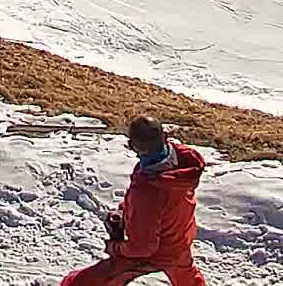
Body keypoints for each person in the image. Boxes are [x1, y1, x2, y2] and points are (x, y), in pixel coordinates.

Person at [59, 117, 207, 286]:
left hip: (154, 254)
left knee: (82, 282)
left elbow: (142, 248)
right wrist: (125, 211)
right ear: (165, 136)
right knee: (188, 279)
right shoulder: (184, 162)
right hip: (180, 240)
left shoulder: (147, 190)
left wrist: (115, 247)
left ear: (131, 146)